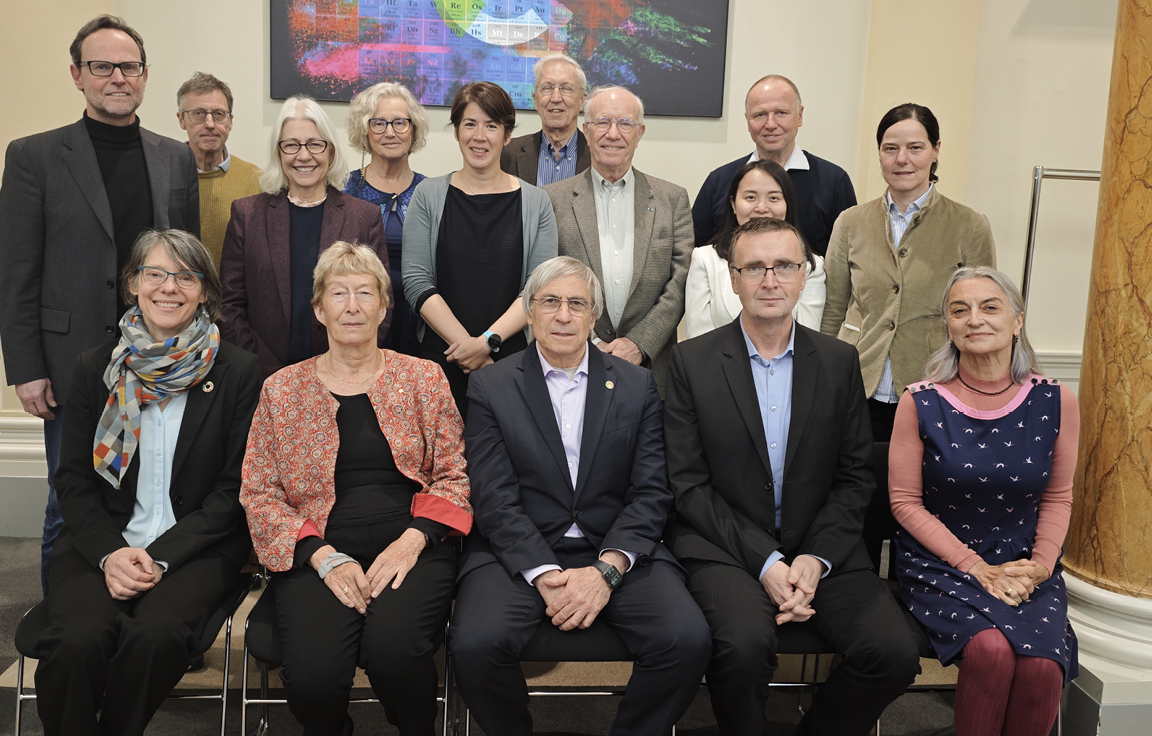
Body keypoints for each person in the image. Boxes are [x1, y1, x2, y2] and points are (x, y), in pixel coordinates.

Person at [663, 217, 919, 736]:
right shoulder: (692, 362)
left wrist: (813, 559)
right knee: (743, 648)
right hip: (728, 549)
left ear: (805, 276)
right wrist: (767, 562)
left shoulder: (839, 361)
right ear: (733, 279)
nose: (770, 279)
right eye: (754, 267)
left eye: (783, 266)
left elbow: (854, 478)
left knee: (894, 652)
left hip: (823, 547)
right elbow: (688, 486)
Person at [449, 256, 711, 736]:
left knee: (686, 639)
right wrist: (546, 572)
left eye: (577, 303)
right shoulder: (492, 385)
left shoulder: (637, 385)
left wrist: (606, 569)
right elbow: (492, 496)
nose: (563, 315)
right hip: (519, 550)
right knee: (475, 645)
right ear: (529, 313)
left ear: (594, 317)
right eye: (550, 302)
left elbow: (652, 490)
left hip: (617, 546)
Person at [0, 14, 200, 594]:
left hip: (160, 361)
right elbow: (15, 273)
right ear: (77, 75)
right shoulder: (34, 156)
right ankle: (66, 622)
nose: (117, 77)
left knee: (156, 495)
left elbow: (188, 264)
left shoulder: (174, 158)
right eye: (101, 66)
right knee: (73, 501)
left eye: (128, 66)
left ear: (144, 75)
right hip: (70, 362)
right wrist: (26, 368)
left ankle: (150, 629)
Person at [241, 241, 472, 736]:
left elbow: (455, 475)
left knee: (394, 655)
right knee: (313, 678)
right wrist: (322, 557)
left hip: (412, 541)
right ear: (319, 309)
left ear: (385, 307)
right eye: (339, 293)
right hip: (317, 545)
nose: (352, 306)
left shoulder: (423, 378)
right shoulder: (281, 388)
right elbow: (259, 492)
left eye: (366, 293)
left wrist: (413, 541)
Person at [35, 229, 261, 736]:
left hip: (194, 548)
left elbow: (234, 492)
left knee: (155, 636)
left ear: (205, 291)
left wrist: (159, 557)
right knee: (75, 641)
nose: (169, 287)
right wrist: (112, 554)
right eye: (154, 273)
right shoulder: (96, 367)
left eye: (186, 276)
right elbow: (73, 480)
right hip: (101, 544)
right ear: (132, 284)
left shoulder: (239, 372)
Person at [890, 267, 1078, 736]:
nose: (975, 319)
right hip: (943, 563)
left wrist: (1040, 564)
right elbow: (905, 503)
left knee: (1042, 668)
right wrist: (975, 567)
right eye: (960, 310)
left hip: (1023, 563)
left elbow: (1057, 495)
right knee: (991, 652)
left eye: (990, 307)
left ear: (1017, 320)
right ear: (948, 327)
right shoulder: (920, 401)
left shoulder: (1057, 400)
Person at [820, 102, 996, 444]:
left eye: (915, 148)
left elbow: (983, 315)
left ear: (935, 151)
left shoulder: (969, 225)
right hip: (858, 384)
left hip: (934, 384)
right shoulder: (850, 222)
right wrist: (826, 379)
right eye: (891, 149)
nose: (902, 159)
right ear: (880, 154)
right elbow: (833, 310)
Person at [403, 81, 558, 413]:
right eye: (469, 124)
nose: (479, 136)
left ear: (507, 135)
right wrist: (468, 349)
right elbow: (417, 281)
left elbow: (537, 289)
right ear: (457, 131)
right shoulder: (428, 196)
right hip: (440, 361)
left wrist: (487, 343)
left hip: (512, 362)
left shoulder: (536, 202)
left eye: (491, 126)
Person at [220, 96, 390, 381]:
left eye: (315, 144)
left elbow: (381, 303)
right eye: (291, 145)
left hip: (346, 377)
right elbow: (229, 304)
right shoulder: (246, 214)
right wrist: (265, 371)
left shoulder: (364, 217)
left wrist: (349, 363)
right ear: (279, 152)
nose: (303, 155)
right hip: (262, 378)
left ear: (331, 152)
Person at [543, 86, 691, 393]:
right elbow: (543, 282)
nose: (613, 133)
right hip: (572, 365)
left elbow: (680, 282)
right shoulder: (552, 200)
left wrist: (640, 343)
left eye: (625, 124)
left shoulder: (672, 199)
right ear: (586, 130)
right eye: (603, 122)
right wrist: (590, 342)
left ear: (640, 133)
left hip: (652, 371)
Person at [691, 75, 856, 256]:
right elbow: (697, 249)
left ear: (800, 116)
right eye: (760, 115)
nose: (770, 124)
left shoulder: (834, 181)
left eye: (781, 113)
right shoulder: (719, 180)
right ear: (748, 120)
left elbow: (846, 256)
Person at [684, 160, 826, 337]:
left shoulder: (812, 266)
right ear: (733, 204)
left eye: (774, 198)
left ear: (788, 204)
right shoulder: (705, 259)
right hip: (719, 364)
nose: (761, 208)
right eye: (750, 197)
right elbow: (699, 342)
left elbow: (808, 339)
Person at [344, 82, 431, 355]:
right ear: (364, 130)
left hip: (423, 320)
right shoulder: (343, 190)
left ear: (413, 129)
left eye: (400, 123)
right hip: (359, 319)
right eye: (378, 123)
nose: (390, 132)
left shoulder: (431, 192)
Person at [176, 71, 262, 273]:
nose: (209, 124)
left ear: (230, 121)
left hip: (233, 300)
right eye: (198, 114)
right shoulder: (162, 175)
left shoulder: (257, 181)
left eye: (218, 114)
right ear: (181, 120)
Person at [500, 53, 591, 186]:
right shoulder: (507, 153)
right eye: (547, 88)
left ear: (582, 99)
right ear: (535, 99)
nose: (555, 98)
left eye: (566, 88)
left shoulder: (598, 154)